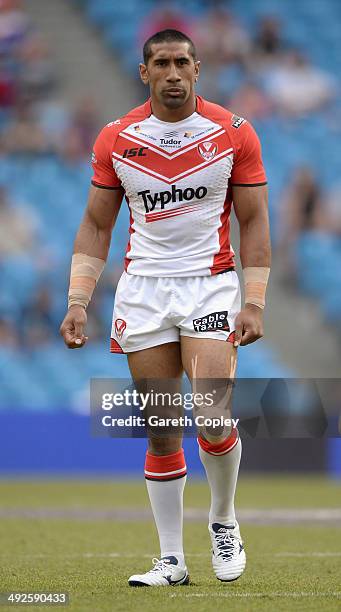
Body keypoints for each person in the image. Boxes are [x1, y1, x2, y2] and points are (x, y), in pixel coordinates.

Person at [60, 29, 271, 587]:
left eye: (182, 62)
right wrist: (78, 299)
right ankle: (171, 560)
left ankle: (223, 520)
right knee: (160, 429)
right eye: (162, 63)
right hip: (145, 290)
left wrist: (254, 300)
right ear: (144, 72)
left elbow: (253, 220)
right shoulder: (116, 139)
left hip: (210, 284)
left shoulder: (232, 133)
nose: (173, 72)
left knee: (211, 413)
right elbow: (97, 224)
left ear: (198, 69)